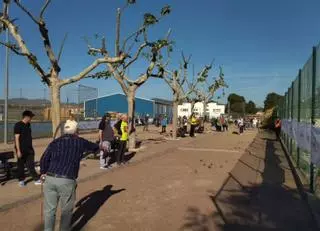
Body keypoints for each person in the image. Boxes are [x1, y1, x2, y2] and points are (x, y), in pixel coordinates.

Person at [40, 120, 99, 231]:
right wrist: (99, 147)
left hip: (50, 178)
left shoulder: (55, 142)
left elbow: (44, 159)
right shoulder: (79, 142)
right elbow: (94, 147)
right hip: (66, 180)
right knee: (66, 211)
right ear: (76, 131)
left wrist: (43, 172)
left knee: (49, 210)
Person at [14, 110, 41, 187]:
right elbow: (16, 138)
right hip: (21, 149)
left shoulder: (28, 124)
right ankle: (21, 180)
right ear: (27, 117)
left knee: (31, 165)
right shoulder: (18, 125)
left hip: (29, 149)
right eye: (31, 117)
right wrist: (18, 150)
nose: (31, 118)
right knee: (21, 165)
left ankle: (36, 179)